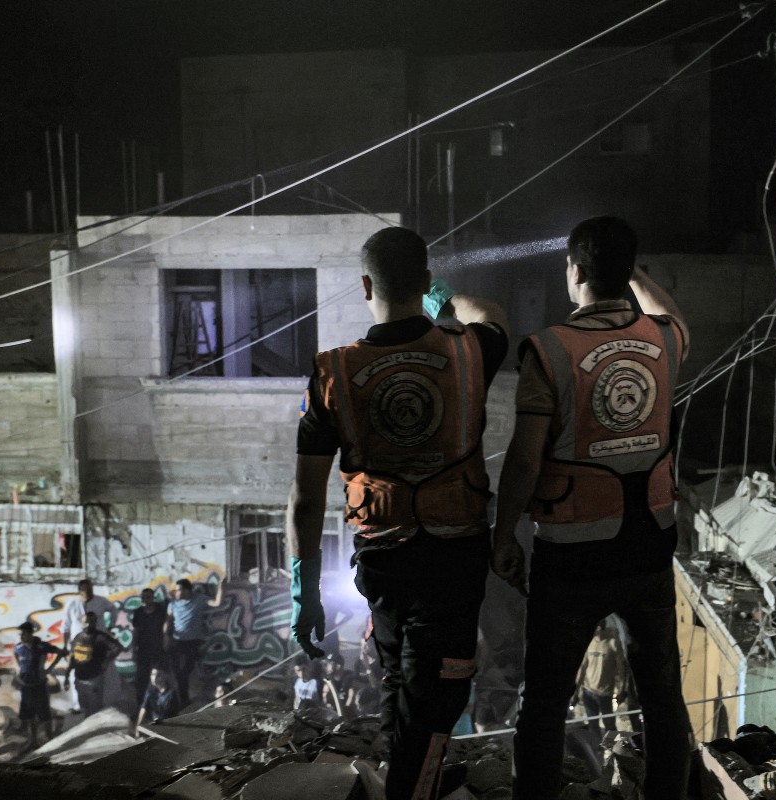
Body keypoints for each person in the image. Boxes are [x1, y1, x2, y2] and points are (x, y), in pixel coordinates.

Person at [287, 225, 508, 799]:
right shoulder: (468, 350)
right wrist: (444, 299)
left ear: (365, 285)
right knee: (441, 687)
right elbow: (492, 314)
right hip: (454, 554)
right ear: (426, 282)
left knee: (398, 676)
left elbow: (306, 498)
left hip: (382, 556)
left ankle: (408, 780)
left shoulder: (332, 372)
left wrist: (305, 591)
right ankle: (411, 789)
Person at [491, 216, 693, 800]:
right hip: (649, 546)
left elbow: (524, 461)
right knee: (662, 696)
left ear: (576, 272)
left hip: (572, 556)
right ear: (627, 273)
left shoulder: (550, 350)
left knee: (545, 702)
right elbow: (672, 313)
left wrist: (503, 536)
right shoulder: (664, 340)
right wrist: (633, 273)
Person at [165, 577, 225, 706]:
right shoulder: (173, 604)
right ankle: (182, 700)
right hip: (177, 642)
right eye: (176, 590)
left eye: (179, 590)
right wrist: (166, 637)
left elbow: (216, 603)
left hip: (192, 643)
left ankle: (185, 700)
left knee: (186, 672)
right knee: (177, 673)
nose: (176, 592)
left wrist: (220, 586)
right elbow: (168, 622)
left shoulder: (199, 600)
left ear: (187, 590)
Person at [61, 579, 116, 713]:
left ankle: (100, 704)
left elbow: (113, 609)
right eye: (85, 589)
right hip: (78, 645)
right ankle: (78, 705)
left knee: (99, 673)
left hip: (97, 645)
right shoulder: (72, 604)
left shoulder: (101, 601)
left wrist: (110, 626)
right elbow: (66, 626)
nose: (88, 592)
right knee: (76, 673)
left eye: (90, 589)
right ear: (80, 591)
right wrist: (65, 646)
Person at [14, 621, 66, 748]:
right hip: (26, 685)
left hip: (39, 685)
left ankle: (50, 740)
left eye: (23, 634)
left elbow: (61, 652)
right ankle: (34, 741)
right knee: (29, 714)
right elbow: (15, 655)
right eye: (20, 635)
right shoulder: (19, 647)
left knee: (44, 713)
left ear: (30, 633)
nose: (21, 637)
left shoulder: (41, 646)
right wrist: (18, 669)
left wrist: (48, 670)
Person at [575, 620, 629, 736]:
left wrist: (622, 689)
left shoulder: (612, 643)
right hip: (588, 691)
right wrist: (576, 691)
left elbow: (621, 669)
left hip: (605, 692)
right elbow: (582, 668)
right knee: (593, 725)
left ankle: (613, 747)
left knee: (609, 725)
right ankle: (596, 747)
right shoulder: (589, 643)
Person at [64, 611, 124, 716]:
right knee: (85, 709)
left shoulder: (101, 637)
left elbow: (118, 647)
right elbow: (73, 657)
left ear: (95, 622)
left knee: (95, 711)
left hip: (94, 679)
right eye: (85, 622)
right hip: (79, 679)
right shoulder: (78, 637)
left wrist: (106, 661)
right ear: (81, 623)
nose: (88, 625)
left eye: (91, 622)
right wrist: (67, 676)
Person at [131, 587, 168, 708]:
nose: (145, 600)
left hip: (158, 649)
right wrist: (133, 649)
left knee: (160, 678)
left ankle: (161, 706)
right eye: (143, 598)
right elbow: (135, 631)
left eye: (148, 597)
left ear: (152, 598)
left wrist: (167, 642)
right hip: (143, 649)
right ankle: (141, 706)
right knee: (141, 680)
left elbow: (166, 627)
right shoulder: (138, 612)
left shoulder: (160, 610)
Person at [135, 667, 181, 736]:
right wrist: (138, 726)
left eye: (158, 675)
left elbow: (172, 715)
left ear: (165, 676)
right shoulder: (150, 690)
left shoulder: (171, 693)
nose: (155, 678)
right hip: (156, 724)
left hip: (169, 727)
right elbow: (144, 707)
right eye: (153, 674)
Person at [320, 652, 356, 716]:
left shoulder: (348, 677)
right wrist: (327, 705)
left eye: (330, 663)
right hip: (334, 714)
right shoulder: (328, 679)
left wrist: (345, 712)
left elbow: (351, 697)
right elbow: (325, 698)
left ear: (338, 666)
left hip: (348, 713)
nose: (327, 666)